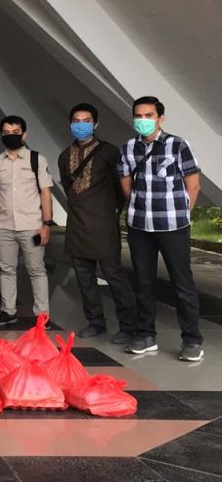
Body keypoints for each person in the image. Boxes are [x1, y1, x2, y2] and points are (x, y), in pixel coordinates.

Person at [119, 96, 203, 361]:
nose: (143, 121)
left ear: (160, 118)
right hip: (140, 226)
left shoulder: (177, 145)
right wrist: (139, 207)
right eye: (138, 116)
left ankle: (191, 340)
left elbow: (193, 185)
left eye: (148, 115)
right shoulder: (129, 148)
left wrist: (180, 214)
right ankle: (145, 336)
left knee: (183, 284)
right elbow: (125, 184)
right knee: (143, 284)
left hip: (173, 226)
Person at [57, 103, 136, 343]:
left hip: (103, 224)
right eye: (76, 120)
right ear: (71, 124)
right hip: (77, 224)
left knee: (114, 275)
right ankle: (95, 322)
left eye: (86, 120)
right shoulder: (64, 156)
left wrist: (110, 213)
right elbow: (68, 188)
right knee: (84, 278)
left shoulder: (109, 152)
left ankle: (129, 326)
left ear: (96, 124)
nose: (81, 125)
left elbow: (121, 188)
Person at [0, 115, 54, 326]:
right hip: (4, 227)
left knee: (36, 270)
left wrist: (46, 224)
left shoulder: (37, 159)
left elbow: (45, 193)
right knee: (6, 270)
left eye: (15, 133)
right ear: (1, 136)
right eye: (6, 133)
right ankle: (8, 311)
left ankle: (42, 315)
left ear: (24, 134)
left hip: (32, 227)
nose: (11, 137)